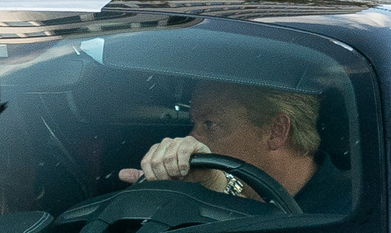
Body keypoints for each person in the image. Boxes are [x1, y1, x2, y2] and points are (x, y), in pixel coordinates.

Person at [122, 80, 347, 213]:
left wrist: (223, 191)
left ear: (275, 131)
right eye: (194, 124)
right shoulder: (201, 189)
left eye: (210, 124)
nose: (192, 140)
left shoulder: (348, 211)